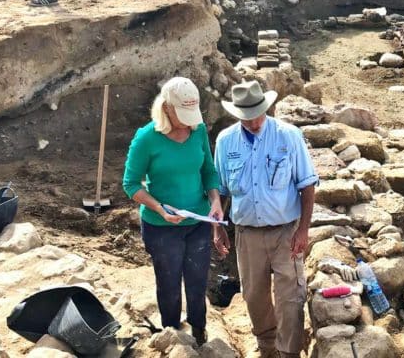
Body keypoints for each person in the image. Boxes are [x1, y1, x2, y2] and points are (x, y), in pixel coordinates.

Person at [213, 81, 318, 358]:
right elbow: (220, 191)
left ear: (267, 108)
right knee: (254, 296)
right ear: (237, 115)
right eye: (247, 118)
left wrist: (303, 230)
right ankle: (267, 349)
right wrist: (219, 227)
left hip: (286, 230)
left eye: (258, 114)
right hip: (246, 233)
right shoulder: (225, 141)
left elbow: (307, 186)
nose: (254, 122)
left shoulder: (289, 136)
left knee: (290, 298)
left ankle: (289, 353)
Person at [122, 77, 224, 346]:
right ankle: (172, 336)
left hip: (197, 221)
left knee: (197, 280)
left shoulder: (198, 130)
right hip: (161, 226)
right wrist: (159, 209)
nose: (189, 122)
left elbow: (208, 172)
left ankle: (199, 331)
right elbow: (130, 184)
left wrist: (215, 201)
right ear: (166, 108)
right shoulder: (146, 138)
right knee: (168, 285)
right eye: (183, 115)